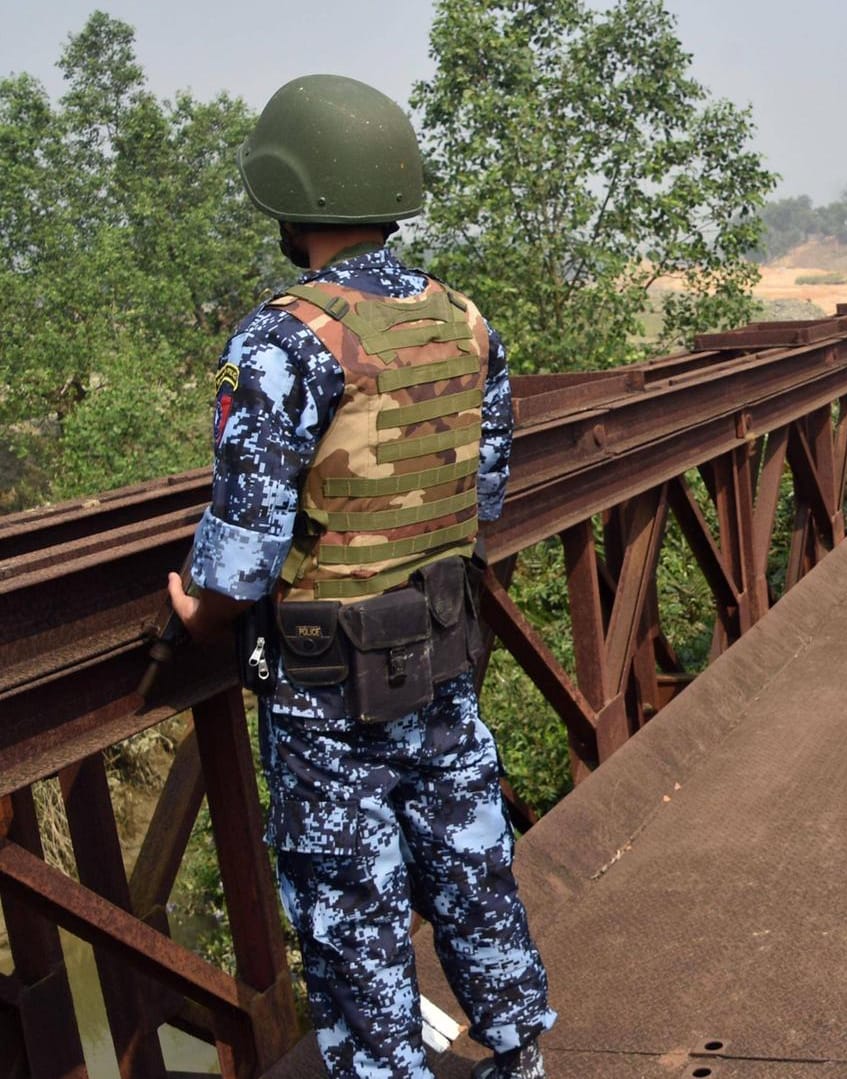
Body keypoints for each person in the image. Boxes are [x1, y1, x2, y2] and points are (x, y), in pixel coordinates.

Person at [162, 75, 554, 1079]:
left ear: (292, 201)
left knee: (349, 902)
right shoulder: (466, 322)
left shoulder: (286, 338)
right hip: (442, 650)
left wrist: (192, 607)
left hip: (327, 685)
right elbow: (488, 494)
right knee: (472, 863)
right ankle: (518, 1047)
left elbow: (243, 550)